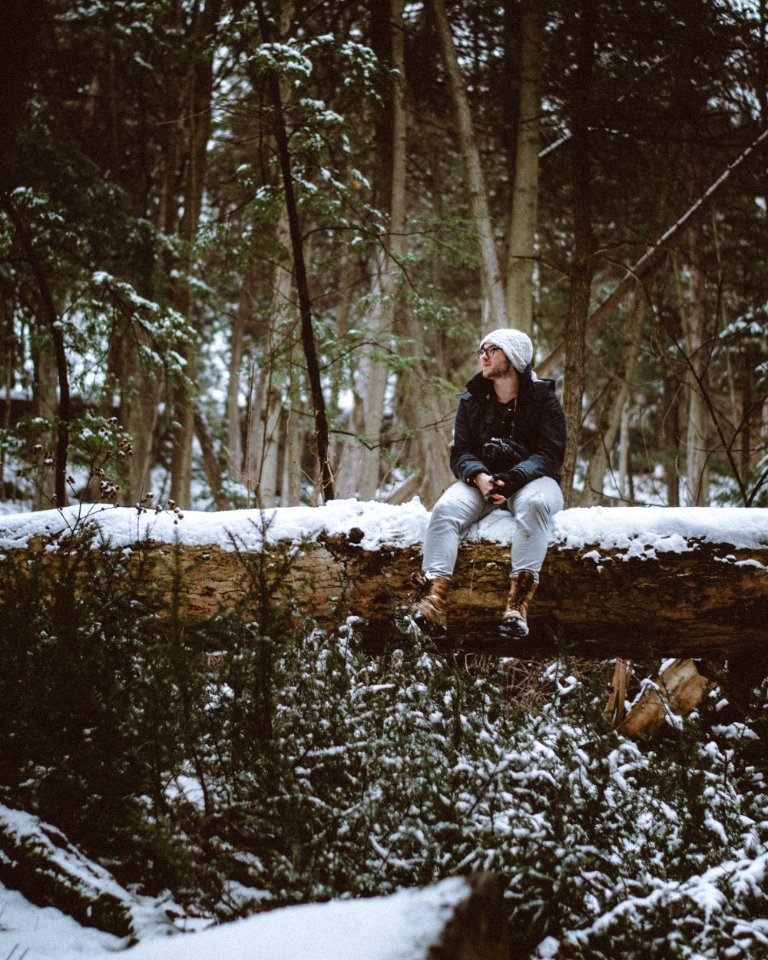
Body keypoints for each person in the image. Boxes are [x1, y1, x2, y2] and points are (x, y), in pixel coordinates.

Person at [411, 328, 566, 640]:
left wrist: (514, 479)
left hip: (532, 481)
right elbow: (461, 452)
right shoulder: (472, 399)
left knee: (535, 504)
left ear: (513, 358)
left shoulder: (543, 400)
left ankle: (517, 607)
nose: (483, 355)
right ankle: (433, 599)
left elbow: (550, 453)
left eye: (492, 350)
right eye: (482, 349)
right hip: (480, 480)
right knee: (444, 511)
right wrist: (479, 477)